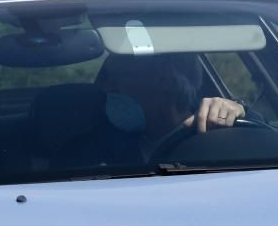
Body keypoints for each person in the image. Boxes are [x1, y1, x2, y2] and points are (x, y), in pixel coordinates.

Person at [99, 53, 245, 156]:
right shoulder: (105, 147)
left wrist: (239, 112)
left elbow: (263, 138)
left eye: (119, 77)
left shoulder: (217, 131)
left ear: (166, 82)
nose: (107, 88)